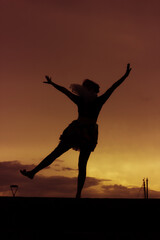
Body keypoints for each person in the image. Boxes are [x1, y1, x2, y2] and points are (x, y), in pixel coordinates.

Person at [20, 64, 132, 198]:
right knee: (65, 157)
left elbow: (113, 87)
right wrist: (52, 83)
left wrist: (125, 76)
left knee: (76, 161)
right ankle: (35, 174)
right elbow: (65, 91)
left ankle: (77, 193)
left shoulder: (94, 101)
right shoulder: (91, 101)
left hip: (83, 132)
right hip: (81, 131)